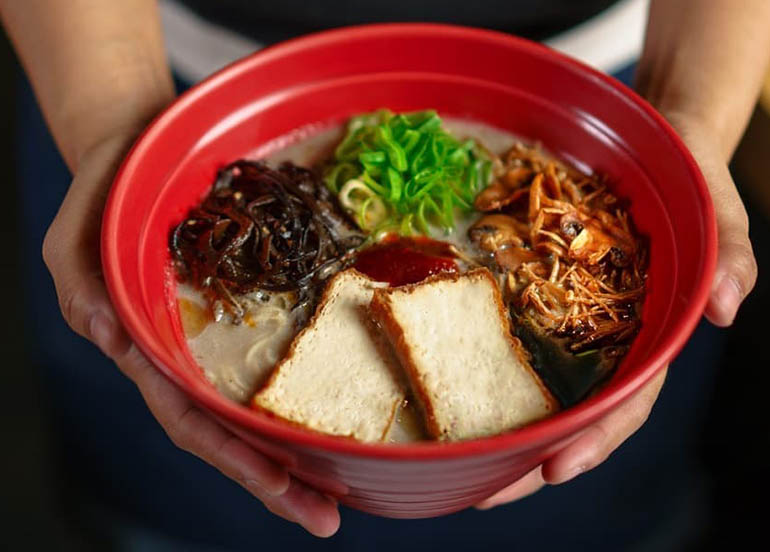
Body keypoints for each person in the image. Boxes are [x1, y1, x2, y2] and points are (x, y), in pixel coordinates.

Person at [2, 0, 767, 548]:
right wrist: (113, 127)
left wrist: (687, 122)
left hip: (615, 87)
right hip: (136, 81)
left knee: (597, 519)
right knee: (167, 513)